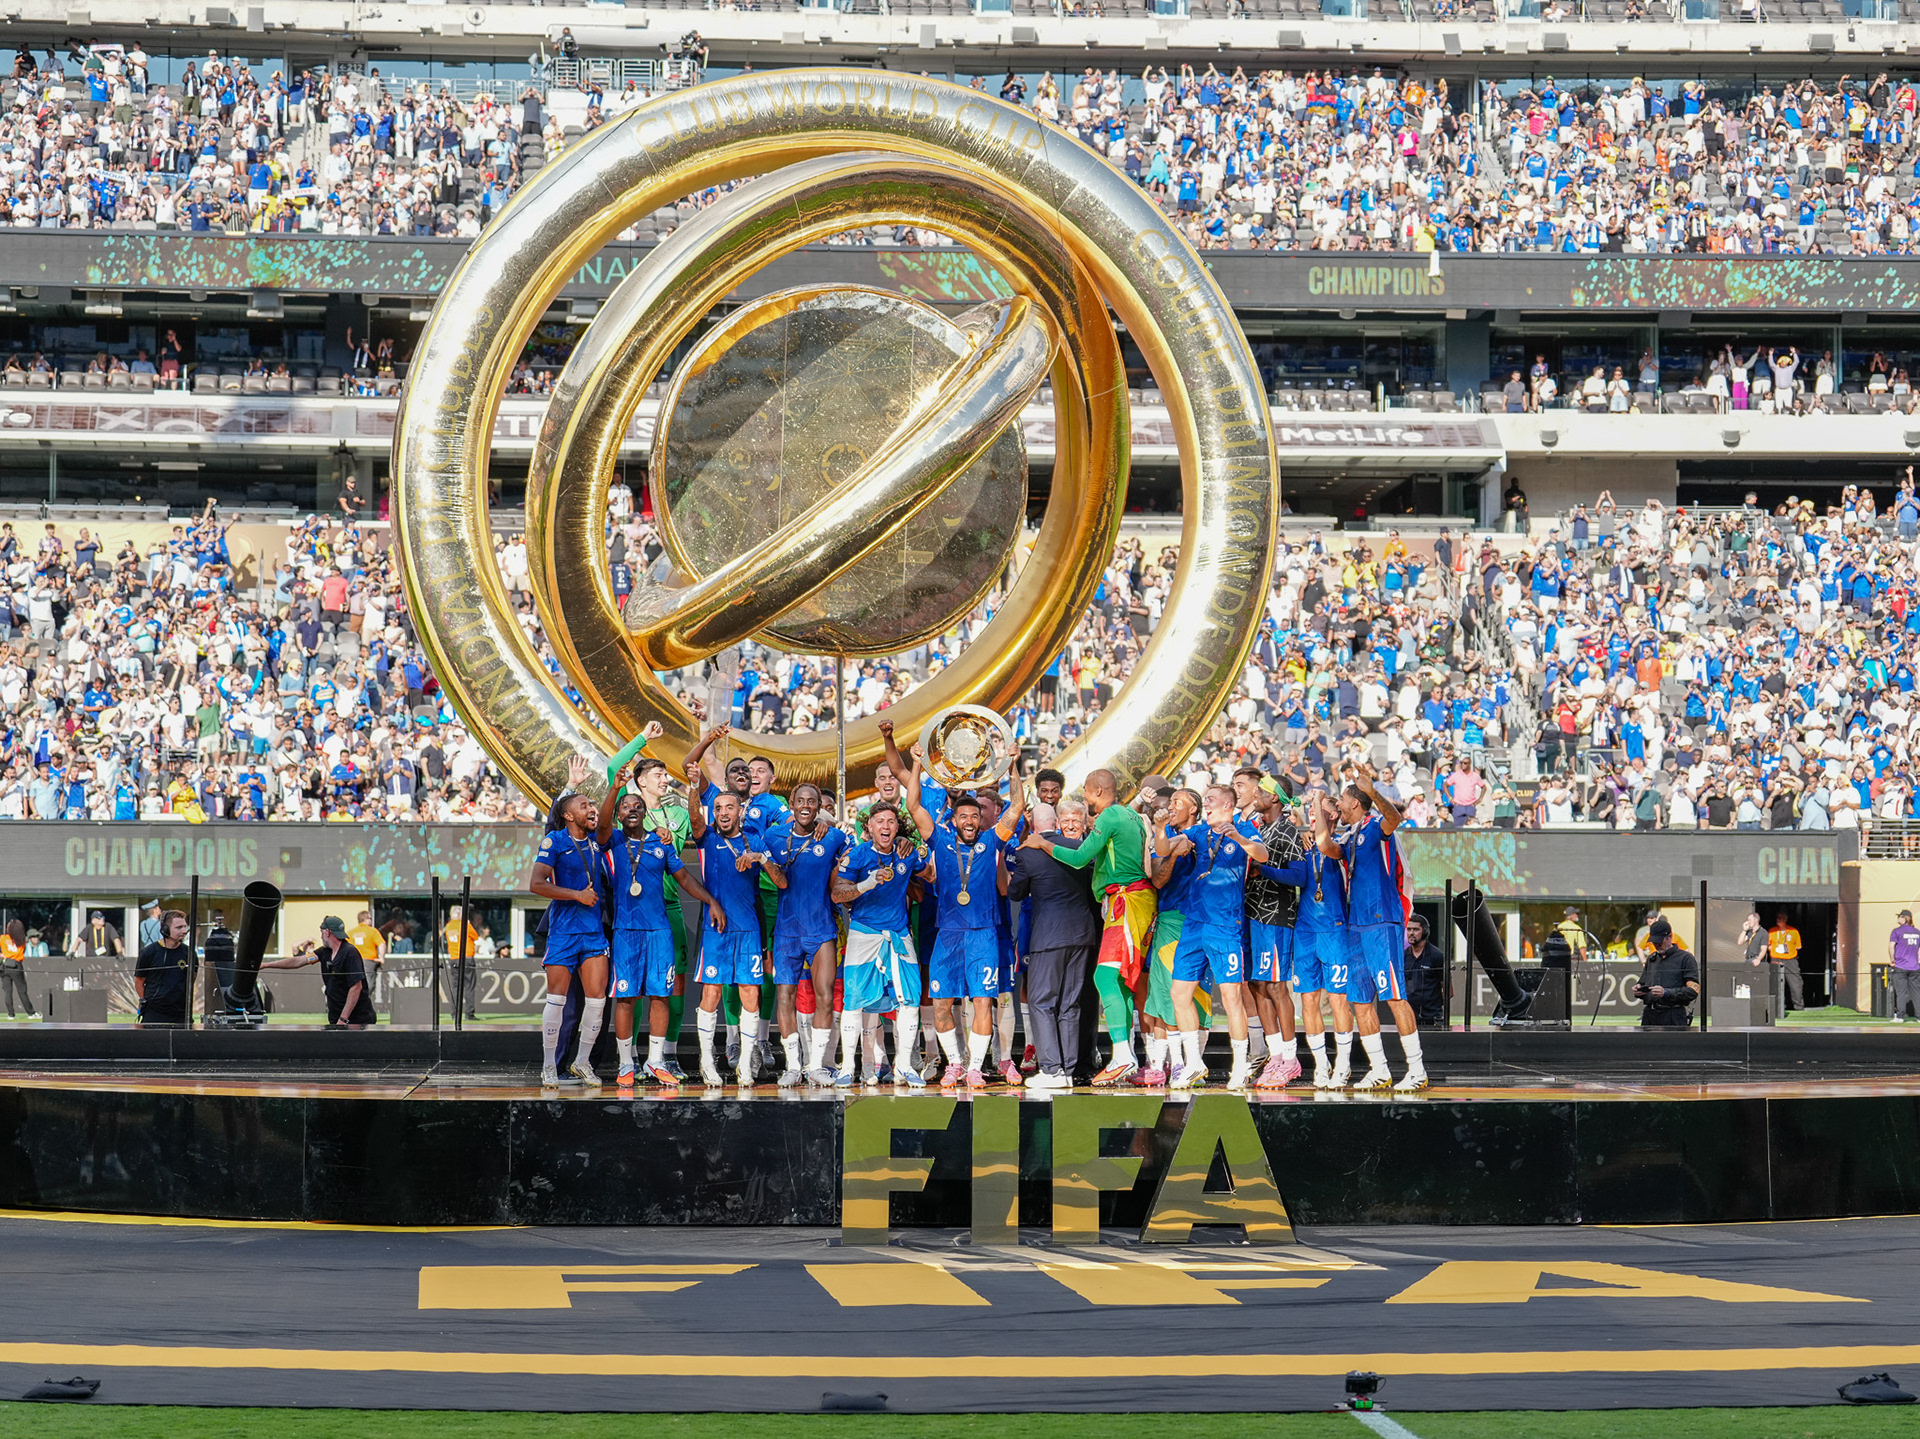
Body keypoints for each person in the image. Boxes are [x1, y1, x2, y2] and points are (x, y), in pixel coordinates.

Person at [1014, 764, 1154, 1086]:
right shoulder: (1129, 815)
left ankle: (1121, 1054)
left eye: (1088, 793)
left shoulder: (1108, 817)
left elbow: (1079, 859)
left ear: (1099, 792)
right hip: (1130, 900)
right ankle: (1126, 1052)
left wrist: (1042, 844)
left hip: (1126, 899)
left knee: (1104, 976)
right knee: (1120, 981)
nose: (1086, 799)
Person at [902, 743, 1026, 1089]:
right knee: (941, 1002)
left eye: (974, 816)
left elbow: (1017, 805)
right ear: (953, 821)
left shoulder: (992, 841)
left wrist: (1013, 765)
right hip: (949, 934)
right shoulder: (940, 840)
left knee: (983, 1001)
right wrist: (915, 764)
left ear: (980, 819)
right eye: (963, 817)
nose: (969, 821)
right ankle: (954, 1063)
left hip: (984, 933)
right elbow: (913, 805)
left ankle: (975, 1067)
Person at [597, 744, 719, 1087]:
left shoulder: (660, 843)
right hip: (626, 931)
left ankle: (656, 1060)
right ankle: (625, 1063)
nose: (633, 810)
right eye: (627, 807)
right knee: (625, 996)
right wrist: (614, 789)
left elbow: (684, 878)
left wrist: (712, 901)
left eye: (638, 806)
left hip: (660, 929)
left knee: (662, 994)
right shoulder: (613, 841)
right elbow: (603, 822)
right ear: (621, 814)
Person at [1152, 782, 1275, 1089]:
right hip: (1193, 923)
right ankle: (1194, 1064)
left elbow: (1262, 855)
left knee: (1232, 996)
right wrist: (1159, 827)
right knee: (1179, 994)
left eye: (1211, 799)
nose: (1206, 803)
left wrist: (1237, 836)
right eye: (1205, 799)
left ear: (1228, 806)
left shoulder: (1244, 829)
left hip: (1224, 925)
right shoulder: (1198, 832)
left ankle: (1239, 1066)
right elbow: (1164, 848)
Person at [1323, 764, 1425, 1091]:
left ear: (1356, 803)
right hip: (1357, 925)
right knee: (1361, 1002)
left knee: (1394, 997)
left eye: (1342, 799)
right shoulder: (1349, 836)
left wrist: (1373, 791)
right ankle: (1379, 1069)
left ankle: (1417, 1070)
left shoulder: (1376, 827)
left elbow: (1395, 818)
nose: (1339, 803)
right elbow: (1325, 845)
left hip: (1382, 920)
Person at [685, 757, 787, 1087]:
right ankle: (706, 1061)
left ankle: (745, 1062)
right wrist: (692, 786)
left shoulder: (756, 841)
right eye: (718, 808)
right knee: (711, 994)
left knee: (750, 994)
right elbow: (694, 820)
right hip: (717, 931)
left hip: (748, 929)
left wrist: (761, 858)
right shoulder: (706, 838)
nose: (724, 813)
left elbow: (781, 881)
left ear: (740, 810)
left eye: (729, 807)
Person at [528, 755, 613, 1088]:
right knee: (558, 1002)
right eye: (583, 804)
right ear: (567, 815)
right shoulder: (555, 840)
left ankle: (582, 1063)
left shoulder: (598, 841)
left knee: (597, 1001)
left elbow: (606, 817)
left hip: (594, 932)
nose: (591, 808)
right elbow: (535, 884)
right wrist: (577, 895)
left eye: (592, 804)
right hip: (564, 930)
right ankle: (549, 1065)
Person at [830, 800, 928, 1088]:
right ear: (869, 827)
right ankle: (849, 1067)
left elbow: (929, 877)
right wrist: (867, 883)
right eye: (880, 822)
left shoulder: (906, 853)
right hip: (864, 933)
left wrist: (909, 847)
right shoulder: (857, 856)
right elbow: (837, 895)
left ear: (897, 827)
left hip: (899, 933)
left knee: (910, 1000)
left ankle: (905, 1067)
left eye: (890, 822)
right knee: (854, 1000)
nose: (885, 826)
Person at [1007, 797, 1099, 1091]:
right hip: (1083, 935)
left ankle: (1051, 1069)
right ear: (1057, 824)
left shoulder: (1029, 854)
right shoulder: (1081, 850)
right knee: (1070, 1004)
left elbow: (1015, 893)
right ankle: (1068, 1069)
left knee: (1041, 1002)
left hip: (1049, 937)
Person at [767, 783, 849, 1086]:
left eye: (811, 801)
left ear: (819, 806)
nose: (805, 806)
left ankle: (816, 1065)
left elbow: (856, 856)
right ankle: (792, 1065)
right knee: (785, 996)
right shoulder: (773, 836)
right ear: (791, 803)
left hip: (821, 928)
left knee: (825, 995)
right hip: (787, 930)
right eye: (800, 800)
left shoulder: (833, 836)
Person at [261, 917, 377, 1027]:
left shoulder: (350, 953)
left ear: (327, 932)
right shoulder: (323, 952)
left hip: (358, 1019)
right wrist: (266, 965)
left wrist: (343, 1019)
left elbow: (356, 987)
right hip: (336, 1017)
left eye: (321, 932)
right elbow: (298, 961)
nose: (321, 937)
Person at [1634, 916, 1699, 1028]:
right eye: (1654, 942)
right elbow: (1644, 983)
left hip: (1673, 1015)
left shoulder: (1685, 958)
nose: (1656, 945)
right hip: (1650, 1015)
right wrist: (1639, 990)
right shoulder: (1652, 959)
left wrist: (1666, 993)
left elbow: (1693, 991)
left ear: (1670, 937)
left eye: (1659, 941)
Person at [133, 908, 193, 1025]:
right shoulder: (148, 952)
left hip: (180, 1013)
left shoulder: (189, 953)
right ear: (165, 930)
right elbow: (139, 981)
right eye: (179, 927)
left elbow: (191, 978)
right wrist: (146, 1000)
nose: (184, 931)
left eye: (185, 927)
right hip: (154, 1014)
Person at [1403, 914, 1447, 1028]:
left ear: (1425, 932)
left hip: (1432, 1018)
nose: (1411, 933)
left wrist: (1432, 1003)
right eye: (1409, 929)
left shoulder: (1437, 956)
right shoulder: (1402, 956)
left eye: (1416, 929)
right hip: (1407, 1017)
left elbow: (1448, 991)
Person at [443, 902, 481, 1021]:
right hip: (467, 958)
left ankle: (455, 1013)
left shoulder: (448, 926)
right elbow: (475, 936)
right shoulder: (465, 924)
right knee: (469, 986)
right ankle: (469, 1013)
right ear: (460, 914)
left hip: (454, 958)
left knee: (455, 987)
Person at [1768, 911, 1805, 1011]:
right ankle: (1778, 1007)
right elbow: (1768, 945)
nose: (1778, 920)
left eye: (1780, 918)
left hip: (1790, 960)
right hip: (1776, 958)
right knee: (1775, 982)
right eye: (1777, 918)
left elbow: (1798, 947)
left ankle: (1799, 1006)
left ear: (1785, 919)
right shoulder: (1772, 931)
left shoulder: (1793, 931)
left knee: (1795, 983)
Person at [1889, 909, 1920, 1023]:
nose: (1898, 918)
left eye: (1899, 916)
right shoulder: (1917, 932)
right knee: (1916, 992)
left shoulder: (1896, 931)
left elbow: (1891, 946)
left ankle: (1900, 1016)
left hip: (1901, 966)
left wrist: (1892, 960)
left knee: (1901, 992)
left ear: (1904, 918)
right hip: (1915, 967)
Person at [1, 918, 35, 1018]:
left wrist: (2, 955)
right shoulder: (22, 940)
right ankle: (31, 1013)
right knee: (22, 991)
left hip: (5, 965)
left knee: (7, 991)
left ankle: (10, 1014)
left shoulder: (3, 938)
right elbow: (21, 951)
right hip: (16, 966)